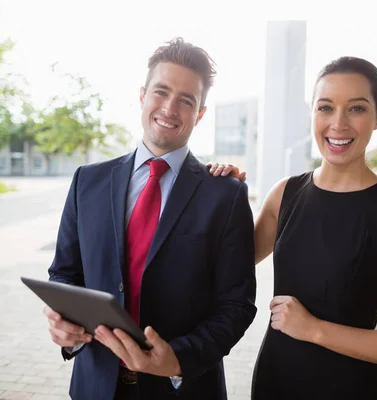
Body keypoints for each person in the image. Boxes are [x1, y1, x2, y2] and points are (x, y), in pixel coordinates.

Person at [209, 56, 377, 399]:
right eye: (325, 107)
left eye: (356, 109)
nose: (338, 124)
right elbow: (221, 265)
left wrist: (315, 330)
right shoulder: (284, 194)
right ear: (313, 114)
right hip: (272, 384)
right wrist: (218, 194)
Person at [43, 38, 257, 400]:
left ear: (200, 113)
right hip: (95, 386)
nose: (170, 108)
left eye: (186, 100)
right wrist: (63, 323)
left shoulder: (226, 194)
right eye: (161, 92)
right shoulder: (87, 181)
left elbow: (236, 306)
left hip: (182, 390)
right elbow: (64, 273)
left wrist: (177, 360)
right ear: (142, 95)